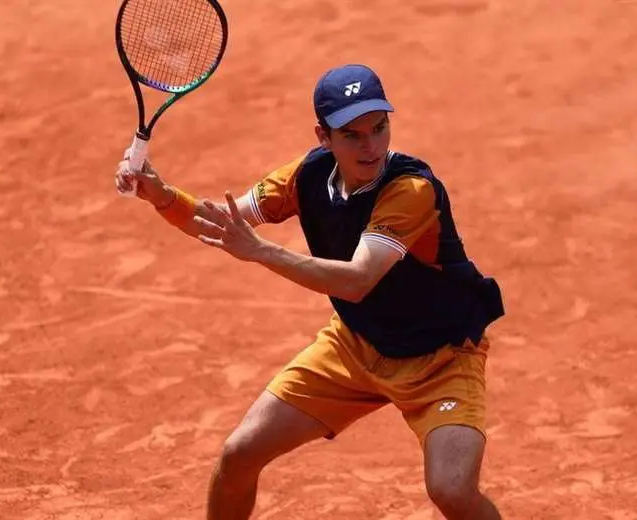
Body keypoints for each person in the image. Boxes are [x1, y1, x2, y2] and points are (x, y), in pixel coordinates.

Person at [115, 63, 505, 520]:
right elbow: (222, 223)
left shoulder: (411, 189)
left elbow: (358, 280)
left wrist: (261, 252)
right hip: (356, 349)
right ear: (324, 136)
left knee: (452, 490)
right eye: (353, 135)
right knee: (239, 453)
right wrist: (160, 194)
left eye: (379, 128)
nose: (371, 145)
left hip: (440, 360)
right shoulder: (307, 176)